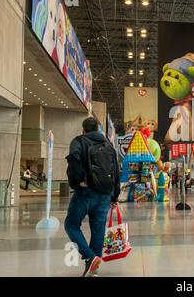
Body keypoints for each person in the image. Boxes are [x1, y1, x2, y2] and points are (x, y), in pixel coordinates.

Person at [64, 117, 120, 277]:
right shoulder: (109, 145)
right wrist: (114, 197)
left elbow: (74, 157)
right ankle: (93, 270)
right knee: (98, 231)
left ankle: (90, 256)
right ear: (98, 129)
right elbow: (116, 172)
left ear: (84, 129)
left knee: (71, 225)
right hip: (104, 195)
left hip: (85, 193)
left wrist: (80, 179)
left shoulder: (79, 141)